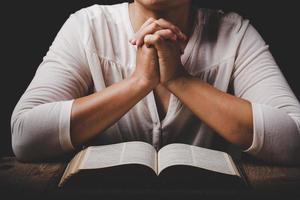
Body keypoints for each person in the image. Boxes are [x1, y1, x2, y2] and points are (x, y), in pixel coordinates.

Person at [11, 0, 300, 163]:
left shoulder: (234, 34)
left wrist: (180, 80)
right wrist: (138, 82)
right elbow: (25, 136)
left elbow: (293, 137)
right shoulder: (87, 27)